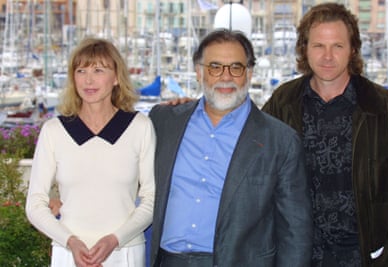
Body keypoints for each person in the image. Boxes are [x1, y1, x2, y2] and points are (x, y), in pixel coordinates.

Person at [261, 3, 388, 267]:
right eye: (318, 46)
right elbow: (252, 160)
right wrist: (186, 112)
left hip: (366, 258)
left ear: (352, 49)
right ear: (304, 49)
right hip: (299, 257)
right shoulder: (283, 103)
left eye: (337, 46)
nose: (327, 56)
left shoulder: (381, 106)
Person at [149, 29, 313, 267]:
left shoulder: (281, 141)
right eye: (215, 67)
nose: (225, 77)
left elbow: (295, 232)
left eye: (235, 67)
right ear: (199, 72)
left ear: (249, 73)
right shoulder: (164, 121)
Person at [26, 37, 156, 267]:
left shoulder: (139, 127)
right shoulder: (54, 131)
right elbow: (35, 204)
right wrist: (71, 242)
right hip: (69, 253)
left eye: (98, 70)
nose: (88, 79)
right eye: (81, 70)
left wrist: (114, 240)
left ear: (116, 77)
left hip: (125, 252)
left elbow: (151, 200)